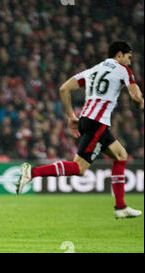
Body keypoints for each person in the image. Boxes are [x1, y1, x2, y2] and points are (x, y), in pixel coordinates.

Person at [16, 41, 144, 219]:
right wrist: (140, 102)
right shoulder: (124, 71)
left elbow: (64, 88)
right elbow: (136, 98)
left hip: (86, 119)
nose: (130, 63)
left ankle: (121, 207)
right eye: (129, 58)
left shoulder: (94, 70)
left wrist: (70, 116)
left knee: (121, 155)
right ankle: (32, 173)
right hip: (97, 122)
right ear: (120, 54)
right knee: (79, 168)